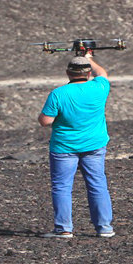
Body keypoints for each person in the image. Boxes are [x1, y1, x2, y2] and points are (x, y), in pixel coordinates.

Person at [37, 50, 114, 238]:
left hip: (64, 147)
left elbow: (45, 121)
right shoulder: (100, 87)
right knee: (97, 184)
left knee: (62, 187)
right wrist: (89, 58)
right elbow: (102, 73)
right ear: (88, 73)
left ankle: (63, 229)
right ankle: (104, 227)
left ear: (67, 73)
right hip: (94, 145)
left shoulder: (58, 94)